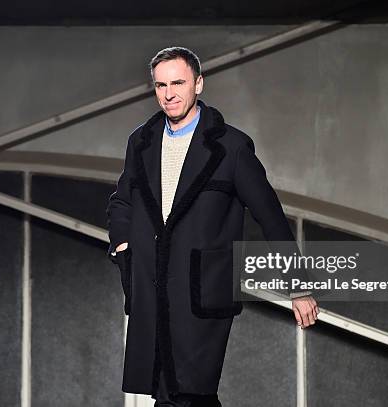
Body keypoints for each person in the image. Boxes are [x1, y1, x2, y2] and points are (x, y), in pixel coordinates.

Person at [106, 46, 319, 407]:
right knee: (173, 392)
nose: (169, 93)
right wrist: (124, 246)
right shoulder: (141, 142)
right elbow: (122, 201)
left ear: (198, 84)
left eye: (178, 83)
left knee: (189, 389)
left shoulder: (230, 147)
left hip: (200, 287)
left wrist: (297, 286)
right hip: (150, 283)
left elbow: (269, 214)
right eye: (160, 85)